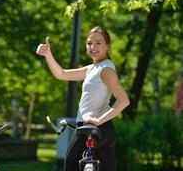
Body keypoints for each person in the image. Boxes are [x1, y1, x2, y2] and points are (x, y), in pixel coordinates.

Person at [36, 26, 130, 171]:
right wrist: (48, 54)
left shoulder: (105, 69)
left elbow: (124, 100)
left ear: (107, 46)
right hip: (104, 130)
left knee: (71, 165)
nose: (93, 47)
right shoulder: (92, 68)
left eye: (98, 42)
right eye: (89, 43)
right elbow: (61, 74)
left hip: (92, 128)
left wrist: (98, 121)